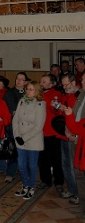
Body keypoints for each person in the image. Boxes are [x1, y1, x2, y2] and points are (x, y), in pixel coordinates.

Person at [13, 81, 46, 200]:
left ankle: (31, 187)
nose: (28, 91)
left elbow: (38, 126)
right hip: (20, 138)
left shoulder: (40, 104)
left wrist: (24, 138)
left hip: (33, 139)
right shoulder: (21, 101)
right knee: (21, 165)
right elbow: (15, 120)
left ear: (37, 91)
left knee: (32, 165)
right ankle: (25, 185)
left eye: (31, 89)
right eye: (27, 89)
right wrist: (17, 135)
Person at [0, 72, 29, 182]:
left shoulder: (28, 93)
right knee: (11, 150)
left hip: (26, 127)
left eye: (22, 79)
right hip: (12, 126)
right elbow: (6, 110)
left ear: (25, 82)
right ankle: (10, 173)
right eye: (17, 78)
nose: (19, 81)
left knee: (24, 151)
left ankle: (24, 173)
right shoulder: (9, 93)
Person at [38, 74, 64, 193]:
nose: (41, 84)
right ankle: (45, 180)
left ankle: (59, 181)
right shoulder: (38, 95)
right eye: (40, 82)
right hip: (40, 132)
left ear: (51, 84)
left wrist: (43, 98)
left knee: (56, 159)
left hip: (53, 132)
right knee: (43, 159)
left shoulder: (56, 94)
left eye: (44, 82)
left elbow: (56, 110)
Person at [57, 73, 80, 205]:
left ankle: (78, 193)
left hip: (73, 135)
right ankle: (71, 189)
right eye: (63, 84)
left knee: (73, 166)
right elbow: (61, 114)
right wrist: (59, 108)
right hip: (63, 134)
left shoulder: (79, 96)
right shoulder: (66, 95)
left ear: (73, 83)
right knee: (65, 164)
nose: (64, 87)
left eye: (66, 84)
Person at [64, 81, 85, 220]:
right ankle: (83, 209)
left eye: (84, 79)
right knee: (81, 177)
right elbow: (77, 127)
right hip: (80, 146)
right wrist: (70, 114)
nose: (82, 81)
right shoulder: (81, 95)